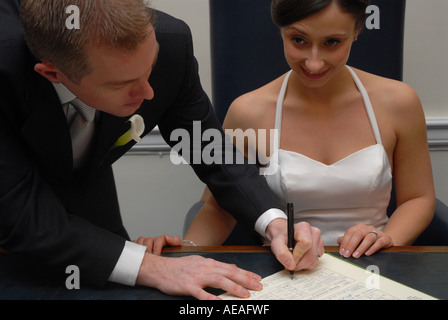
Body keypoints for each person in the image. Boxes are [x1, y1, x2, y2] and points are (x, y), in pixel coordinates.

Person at [0, 0, 323, 300]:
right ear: (52, 73)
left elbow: (207, 147)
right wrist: (154, 267)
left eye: (150, 69)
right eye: (120, 84)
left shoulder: (170, 41)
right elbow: (18, 211)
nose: (150, 93)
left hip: (95, 219)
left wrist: (274, 222)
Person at [182, 0, 436, 259]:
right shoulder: (248, 112)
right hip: (287, 270)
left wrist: (388, 238)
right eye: (299, 40)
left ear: (357, 29)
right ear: (281, 30)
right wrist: (183, 255)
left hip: (373, 266)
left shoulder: (399, 102)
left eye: (332, 42)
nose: (314, 63)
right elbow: (219, 208)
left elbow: (418, 198)